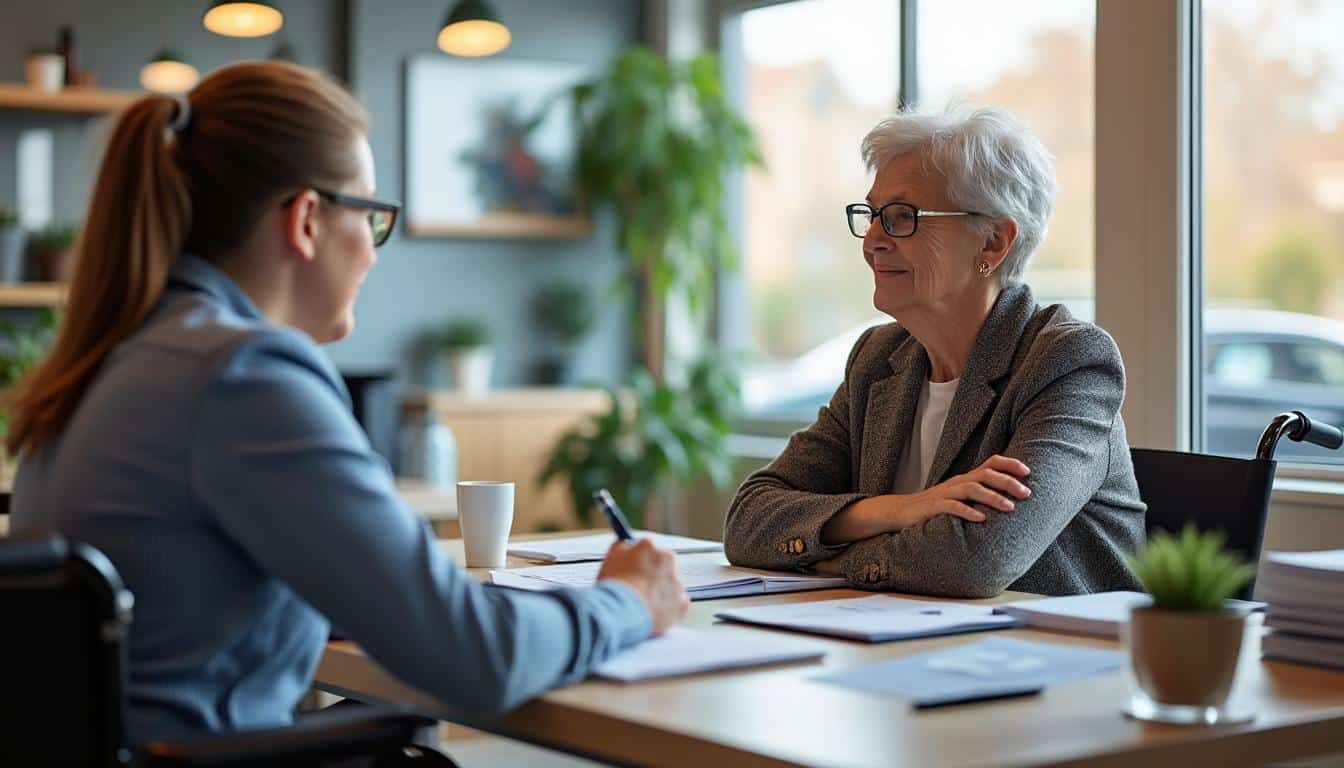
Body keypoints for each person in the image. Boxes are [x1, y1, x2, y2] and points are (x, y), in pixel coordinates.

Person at [5, 61, 688, 744]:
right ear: (306, 219)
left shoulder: (113, 356)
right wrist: (628, 600)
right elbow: (477, 655)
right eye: (371, 217)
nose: (373, 252)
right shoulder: (245, 376)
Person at [723, 108, 1145, 598]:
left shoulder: (1068, 362)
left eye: (903, 217)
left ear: (993, 241)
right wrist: (902, 509)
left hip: (1048, 645)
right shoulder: (878, 358)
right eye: (873, 215)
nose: (873, 241)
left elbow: (975, 561)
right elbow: (748, 520)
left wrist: (833, 559)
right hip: (898, 636)